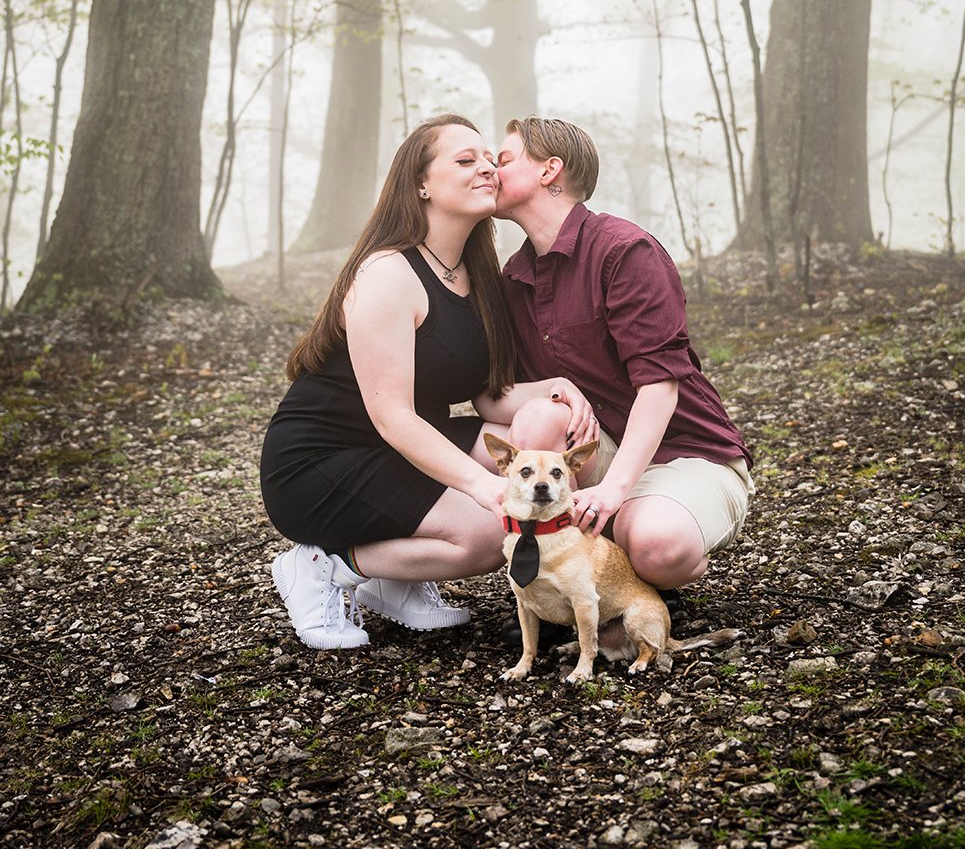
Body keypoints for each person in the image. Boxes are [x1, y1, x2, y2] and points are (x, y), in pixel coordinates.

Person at [259, 114, 599, 651]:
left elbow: (488, 395)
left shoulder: (479, 272)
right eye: (465, 161)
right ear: (420, 183)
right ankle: (327, 565)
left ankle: (397, 583)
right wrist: (485, 487)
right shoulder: (387, 274)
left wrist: (556, 387)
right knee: (491, 533)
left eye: (489, 159)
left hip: (400, 447)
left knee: (542, 429)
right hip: (320, 463)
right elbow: (392, 416)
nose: (486, 167)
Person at [493, 115, 754, 607]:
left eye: (505, 159)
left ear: (551, 170)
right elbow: (497, 392)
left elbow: (660, 386)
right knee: (538, 415)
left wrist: (613, 491)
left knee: (657, 547)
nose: (492, 169)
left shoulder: (624, 251)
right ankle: (557, 594)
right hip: (599, 454)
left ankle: (638, 567)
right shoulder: (514, 279)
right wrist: (553, 384)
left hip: (689, 455)